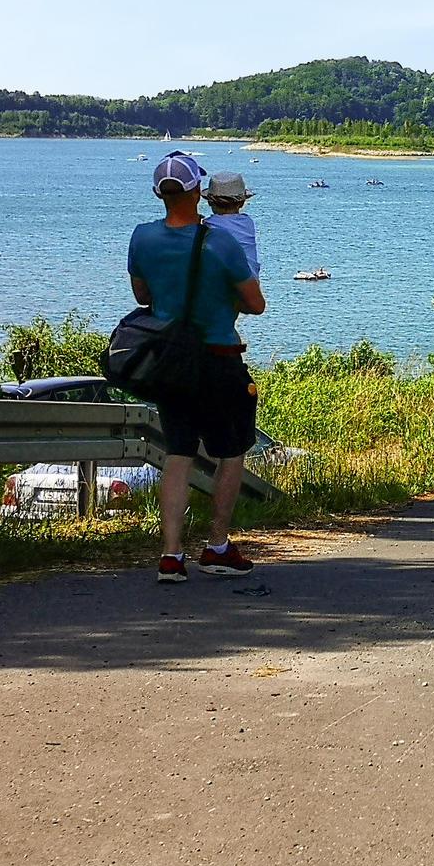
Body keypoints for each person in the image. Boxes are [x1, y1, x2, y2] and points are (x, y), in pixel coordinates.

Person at [128, 152, 267, 583]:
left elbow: (142, 296)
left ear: (160, 195)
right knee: (231, 452)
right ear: (195, 193)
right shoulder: (221, 242)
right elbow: (255, 304)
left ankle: (171, 556)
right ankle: (217, 546)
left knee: (179, 454)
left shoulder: (142, 238)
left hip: (170, 364)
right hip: (220, 358)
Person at [203, 171, 260, 275]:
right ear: (242, 203)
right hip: (251, 281)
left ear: (210, 202)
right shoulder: (247, 223)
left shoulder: (207, 227)